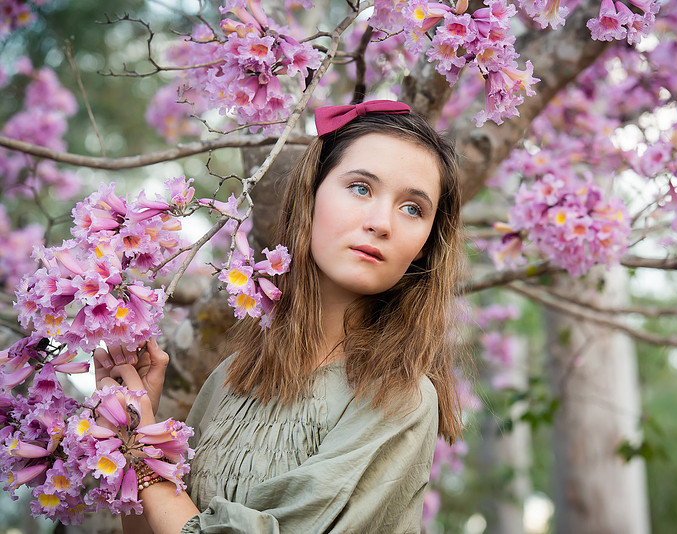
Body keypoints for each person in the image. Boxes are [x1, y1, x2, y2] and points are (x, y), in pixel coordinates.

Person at [93, 100, 466, 533]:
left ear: (424, 245)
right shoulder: (231, 377)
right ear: (311, 197)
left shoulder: (401, 397)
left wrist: (142, 454)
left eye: (413, 208)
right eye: (361, 188)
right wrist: (140, 423)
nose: (382, 222)